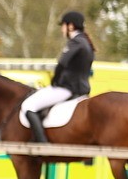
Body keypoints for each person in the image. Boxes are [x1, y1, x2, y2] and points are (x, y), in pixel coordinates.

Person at [20, 11, 95, 142]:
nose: (62, 29)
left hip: (67, 88)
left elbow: (62, 63)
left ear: (70, 26)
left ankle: (42, 144)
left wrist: (55, 80)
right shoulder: (87, 43)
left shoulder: (76, 42)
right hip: (81, 89)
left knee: (28, 105)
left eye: (63, 26)